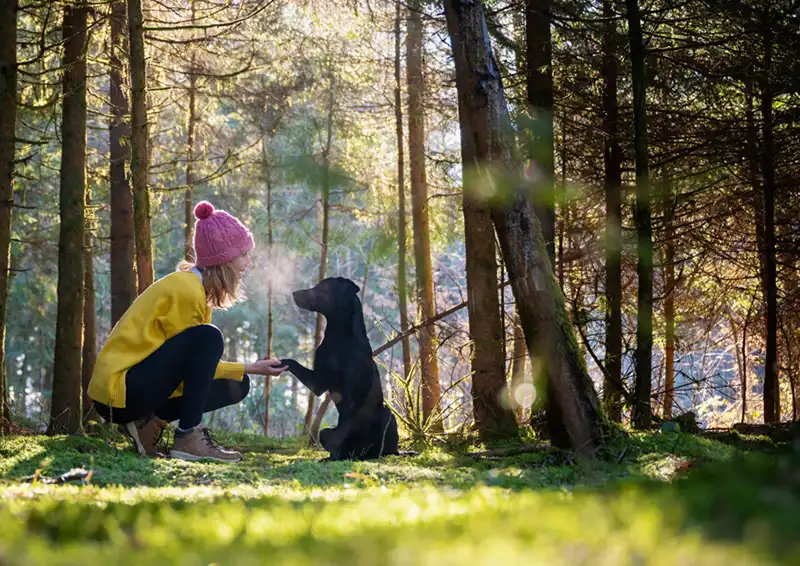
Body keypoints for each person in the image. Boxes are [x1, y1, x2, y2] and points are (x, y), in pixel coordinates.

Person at [88, 201, 286, 463]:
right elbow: (193, 365)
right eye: (243, 255)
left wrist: (248, 369)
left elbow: (191, 370)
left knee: (237, 384)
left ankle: (148, 426)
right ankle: (188, 437)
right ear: (223, 259)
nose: (248, 263)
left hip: (132, 389)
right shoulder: (187, 290)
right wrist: (249, 366)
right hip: (119, 392)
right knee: (209, 337)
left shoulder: (196, 290)